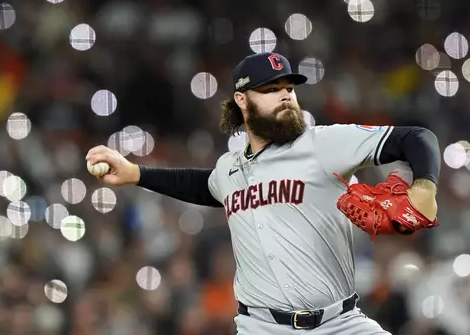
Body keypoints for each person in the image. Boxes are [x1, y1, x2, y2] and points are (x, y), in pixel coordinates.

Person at [86, 52, 441, 334]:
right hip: (261, 327)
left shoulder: (323, 144)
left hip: (340, 324)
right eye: (271, 89)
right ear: (242, 100)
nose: (285, 95)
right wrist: (136, 174)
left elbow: (417, 138)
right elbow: (203, 184)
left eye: (289, 87)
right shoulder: (230, 168)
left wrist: (425, 184)